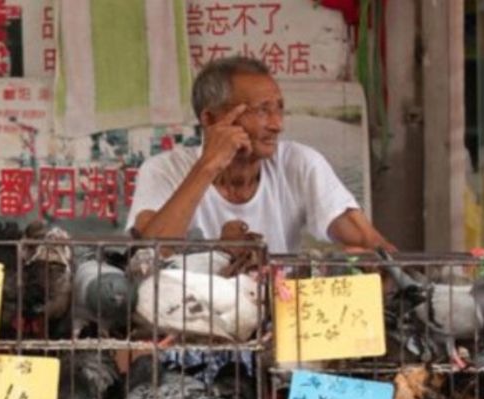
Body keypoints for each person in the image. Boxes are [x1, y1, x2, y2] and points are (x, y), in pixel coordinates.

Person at [127, 56, 394, 253]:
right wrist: (208, 166)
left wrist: (359, 260)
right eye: (262, 110)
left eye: (279, 109)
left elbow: (369, 242)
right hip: (187, 317)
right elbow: (148, 257)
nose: (278, 124)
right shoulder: (163, 169)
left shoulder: (299, 163)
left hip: (276, 314)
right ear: (210, 118)